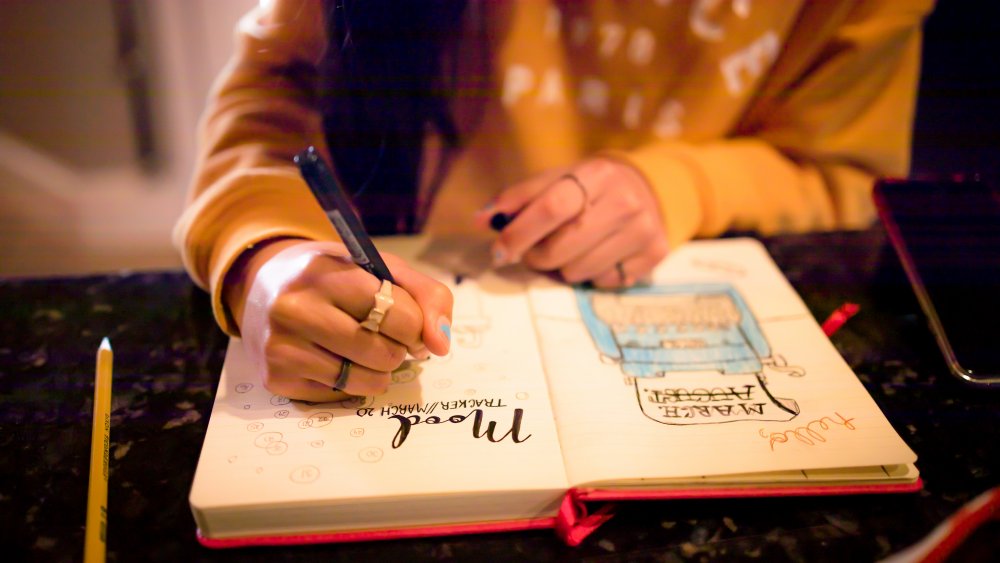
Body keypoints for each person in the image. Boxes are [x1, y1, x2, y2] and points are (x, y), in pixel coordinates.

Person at [174, 0, 934, 401]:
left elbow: (841, 173)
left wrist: (677, 189)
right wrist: (267, 258)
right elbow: (272, 103)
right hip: (406, 269)